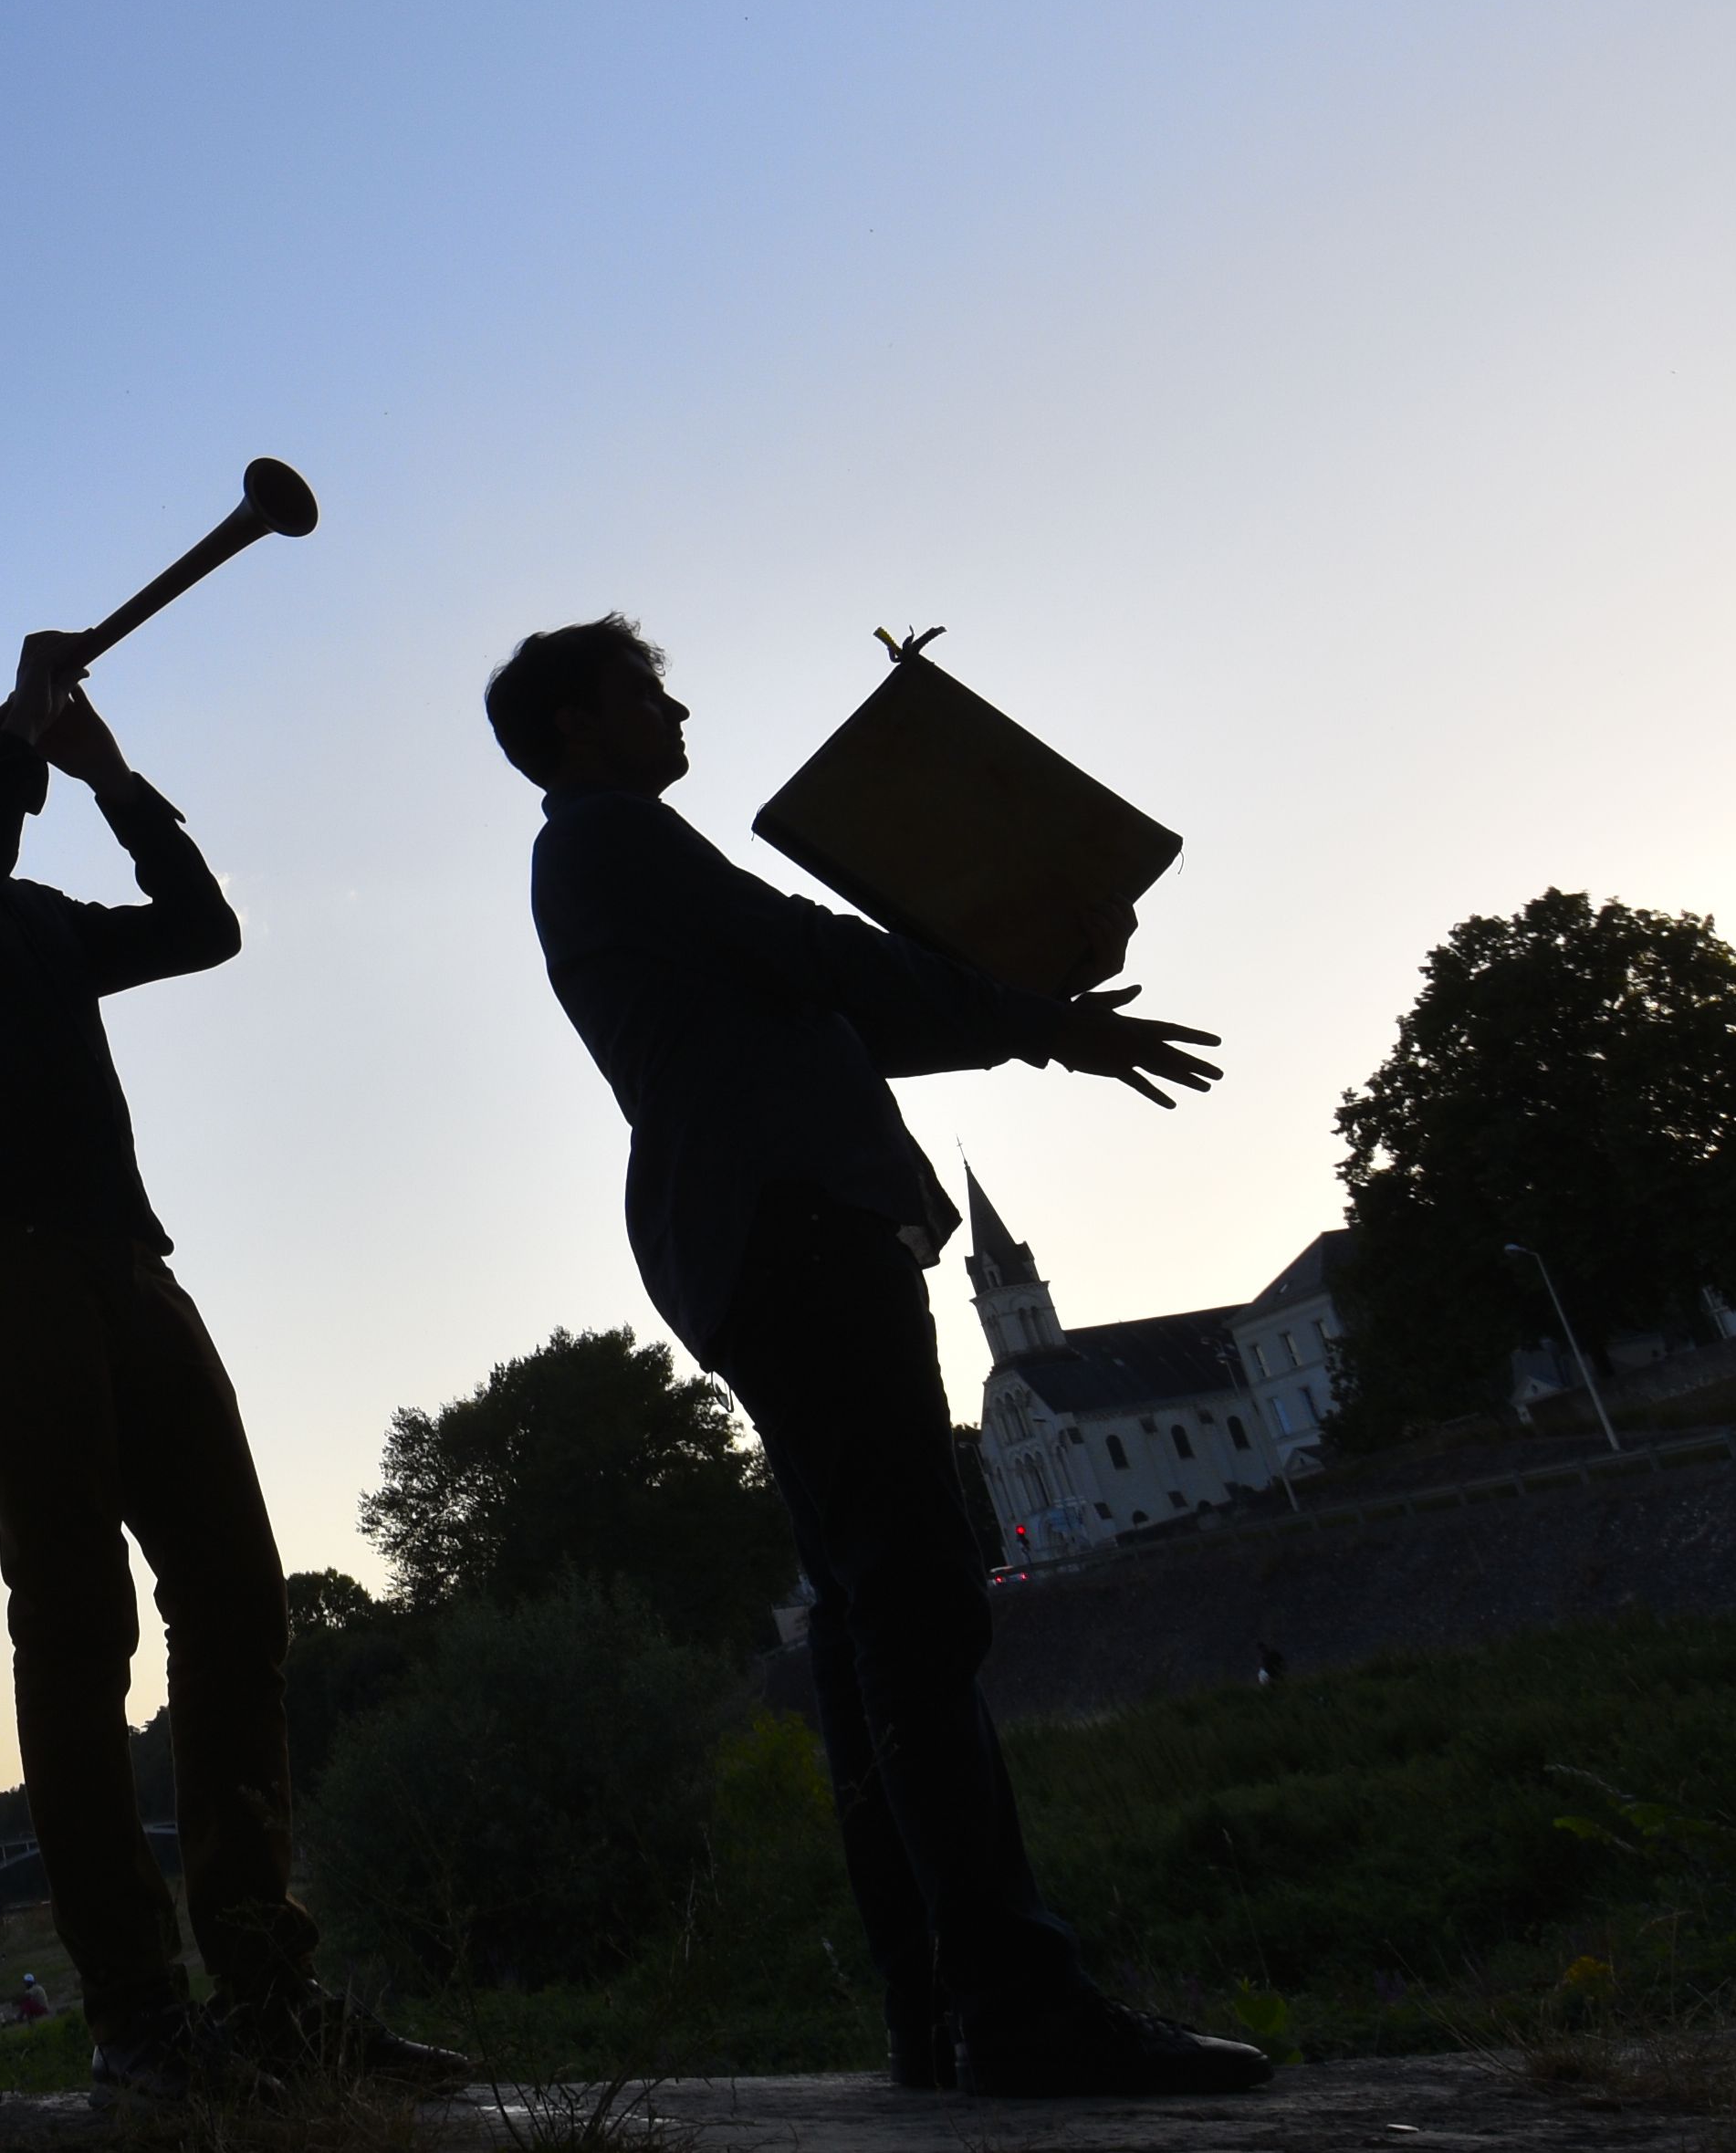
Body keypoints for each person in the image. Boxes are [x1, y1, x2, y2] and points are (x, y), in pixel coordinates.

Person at [483, 615, 1270, 2101]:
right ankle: (1017, 2006)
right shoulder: (615, 843)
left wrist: (1026, 1014)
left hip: (756, 1237)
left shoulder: (618, 858)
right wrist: (1040, 1025)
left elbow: (821, 1002)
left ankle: (935, 2011)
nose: (680, 701)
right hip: (796, 1230)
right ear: (581, 723)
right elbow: (822, 955)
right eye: (650, 685)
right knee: (912, 1613)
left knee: (866, 1629)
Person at [0, 643, 466, 2110]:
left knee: (237, 1595)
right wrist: (28, 752)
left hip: (124, 1255)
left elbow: (205, 926)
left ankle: (270, 1993)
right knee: (76, 1618)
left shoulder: (35, 898)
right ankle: (138, 2014)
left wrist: (109, 774)